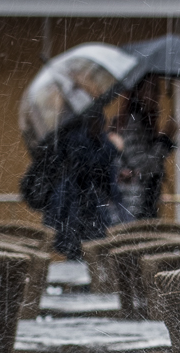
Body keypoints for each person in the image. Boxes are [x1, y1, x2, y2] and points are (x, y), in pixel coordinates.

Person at [20, 107, 127, 259]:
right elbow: (88, 166)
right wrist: (114, 148)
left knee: (92, 255)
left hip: (87, 214)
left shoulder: (94, 138)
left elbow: (101, 174)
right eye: (98, 119)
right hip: (74, 213)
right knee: (80, 257)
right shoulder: (74, 137)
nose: (102, 124)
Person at [112, 75, 177, 220]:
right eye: (152, 90)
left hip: (142, 206)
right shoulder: (132, 124)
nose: (157, 96)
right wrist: (165, 139)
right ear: (138, 92)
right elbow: (144, 166)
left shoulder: (144, 124)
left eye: (157, 91)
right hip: (132, 209)